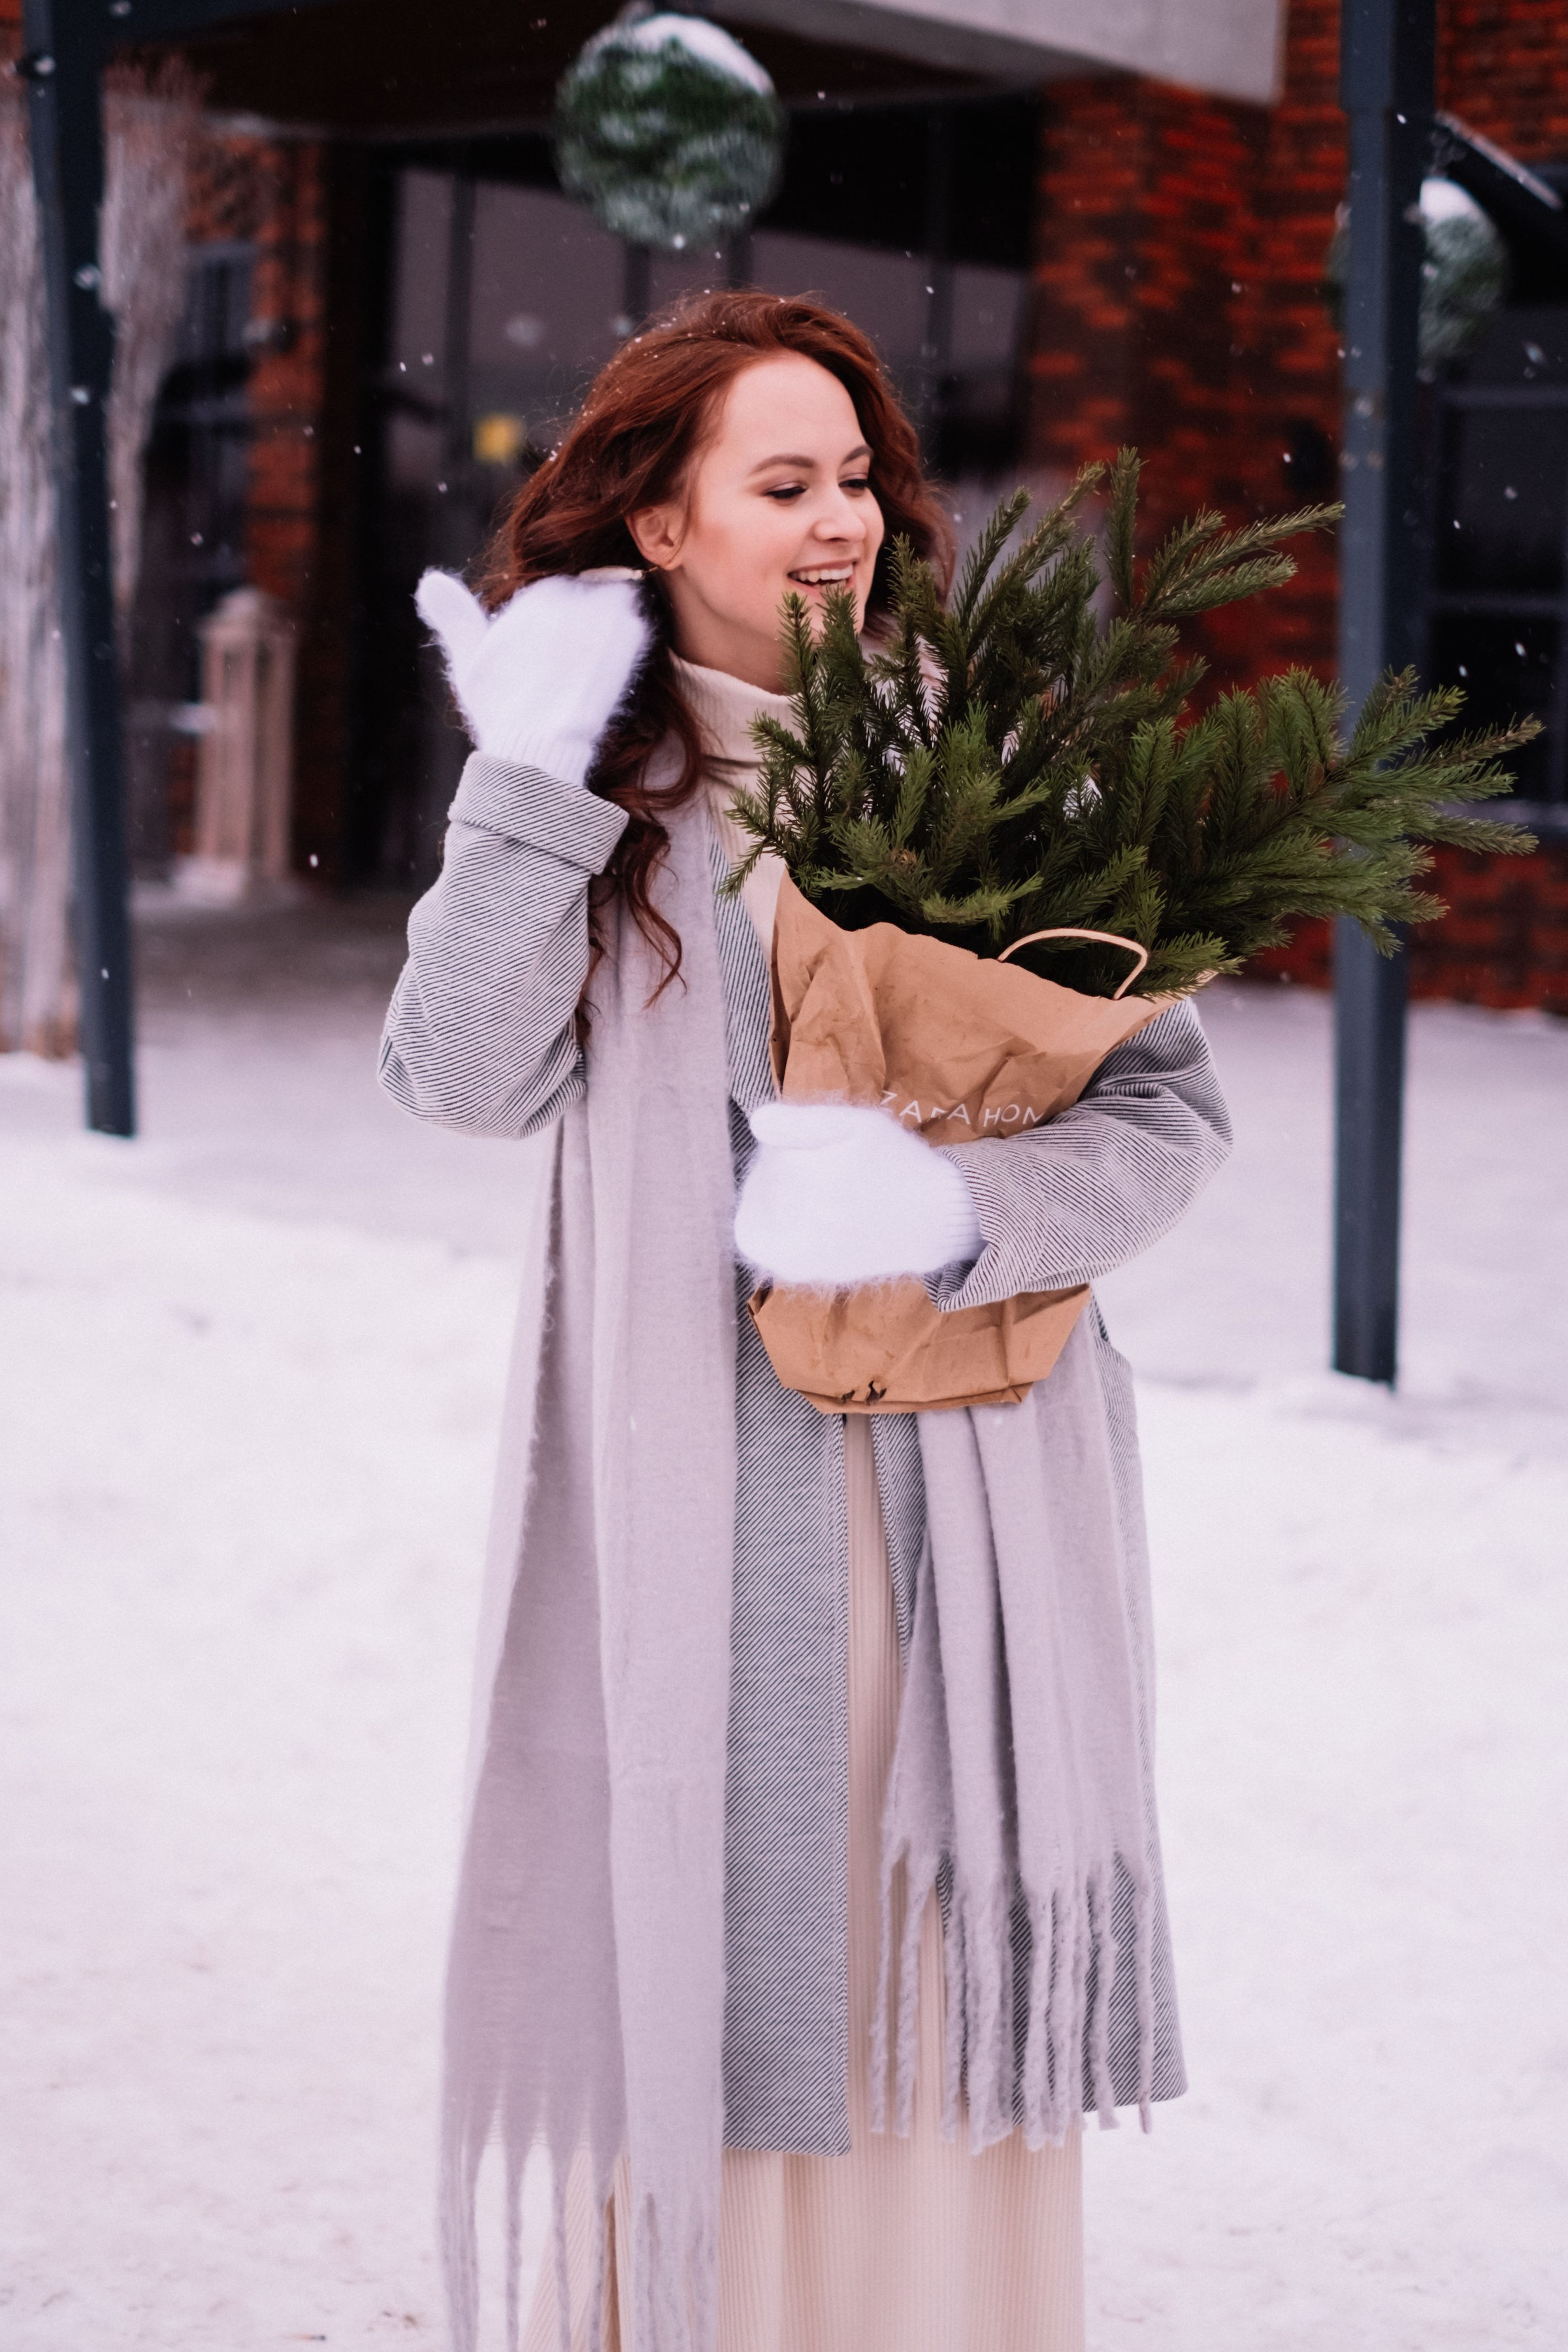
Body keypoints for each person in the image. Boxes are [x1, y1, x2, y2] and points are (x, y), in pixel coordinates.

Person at [380, 288, 1231, 2352]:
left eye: (857, 475)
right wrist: (528, 777)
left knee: (921, 1982)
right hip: (697, 1502)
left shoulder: (1002, 753)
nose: (842, 519)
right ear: (661, 525)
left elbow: (1169, 1111)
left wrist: (956, 1206)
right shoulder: (596, 786)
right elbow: (458, 1076)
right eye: (784, 483)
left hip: (973, 1501)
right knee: (724, 1945)